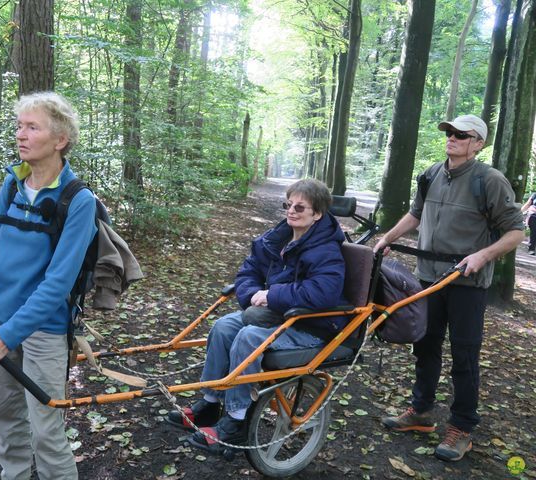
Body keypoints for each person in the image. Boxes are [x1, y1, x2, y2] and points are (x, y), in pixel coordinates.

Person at [0, 92, 97, 479]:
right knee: (6, 418)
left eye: (32, 127)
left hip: (43, 330)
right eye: (19, 126)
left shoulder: (78, 200)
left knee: (47, 430)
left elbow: (57, 284)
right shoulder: (12, 185)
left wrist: (8, 335)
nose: (20, 135)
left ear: (60, 140)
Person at [374, 114, 524, 462]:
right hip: (428, 277)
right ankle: (421, 412)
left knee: (464, 354)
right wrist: (387, 238)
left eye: (461, 135)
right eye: (449, 132)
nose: (452, 138)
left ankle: (462, 428)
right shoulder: (430, 174)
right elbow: (415, 215)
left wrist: (482, 256)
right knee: (425, 344)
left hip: (467, 282)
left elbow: (516, 231)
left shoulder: (490, 181)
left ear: (477, 144)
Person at [166, 179, 349, 451]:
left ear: (318, 214)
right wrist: (253, 293)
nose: (292, 211)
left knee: (249, 337)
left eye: (300, 207)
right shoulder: (278, 239)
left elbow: (323, 293)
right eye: (288, 205)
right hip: (279, 317)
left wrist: (273, 295)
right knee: (224, 327)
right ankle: (211, 403)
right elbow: (248, 271)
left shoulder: (326, 250)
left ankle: (236, 421)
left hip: (311, 327)